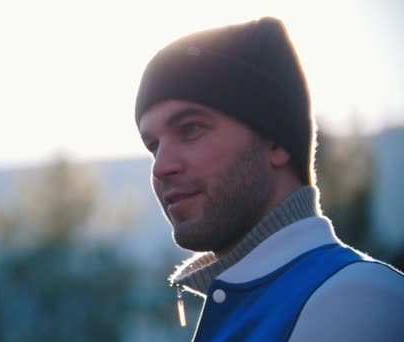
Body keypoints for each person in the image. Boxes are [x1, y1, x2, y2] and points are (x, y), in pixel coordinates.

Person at [134, 16, 404, 341]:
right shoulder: (246, 302)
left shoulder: (354, 299)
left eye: (190, 128)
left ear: (275, 142)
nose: (161, 167)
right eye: (153, 146)